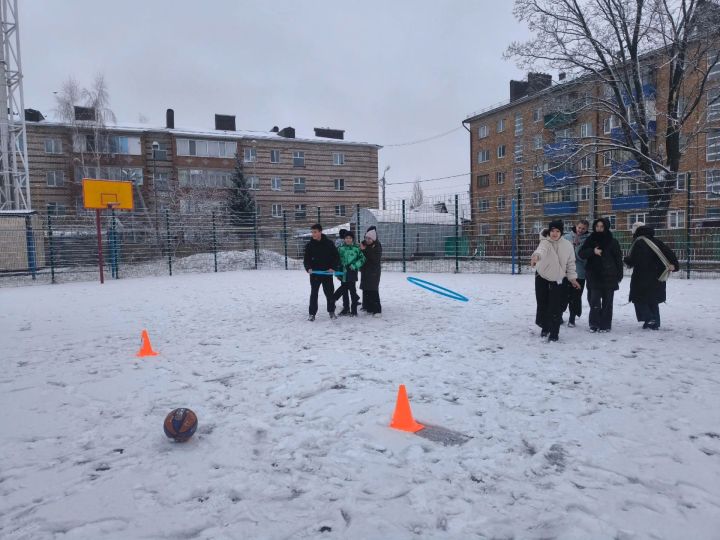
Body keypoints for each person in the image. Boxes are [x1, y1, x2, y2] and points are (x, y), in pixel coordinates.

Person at [530, 220, 580, 342]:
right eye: (552, 230)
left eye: (557, 231)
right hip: (542, 277)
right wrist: (535, 257)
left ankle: (554, 332)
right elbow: (540, 251)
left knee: (555, 306)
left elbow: (570, 264)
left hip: (558, 279)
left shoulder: (567, 245)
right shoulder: (545, 242)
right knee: (543, 304)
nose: (554, 233)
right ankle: (545, 327)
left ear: (561, 232)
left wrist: (572, 279)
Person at [623, 222, 679, 330]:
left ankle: (649, 318)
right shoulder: (657, 242)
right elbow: (669, 253)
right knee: (653, 300)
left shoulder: (638, 242)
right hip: (657, 276)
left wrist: (626, 260)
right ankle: (655, 323)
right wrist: (675, 265)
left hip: (641, 276)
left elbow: (633, 260)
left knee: (638, 299)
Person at [578, 217, 623, 332]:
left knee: (608, 302)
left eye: (601, 226)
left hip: (609, 275)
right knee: (594, 301)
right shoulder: (590, 239)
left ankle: (605, 325)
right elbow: (581, 254)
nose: (599, 229)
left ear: (606, 227)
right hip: (594, 275)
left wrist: (619, 275)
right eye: (597, 226)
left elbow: (618, 259)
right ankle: (594, 324)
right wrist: (593, 251)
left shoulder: (613, 242)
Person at [303, 223, 339, 321]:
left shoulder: (329, 243)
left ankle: (331, 312)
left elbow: (336, 257)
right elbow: (306, 259)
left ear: (320, 232)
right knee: (314, 293)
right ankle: (312, 314)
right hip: (315, 274)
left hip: (327, 273)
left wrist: (333, 268)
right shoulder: (309, 245)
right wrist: (308, 268)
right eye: (312, 232)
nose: (313, 234)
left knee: (329, 294)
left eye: (315, 232)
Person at [563, 219, 590, 327]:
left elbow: (586, 257)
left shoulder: (588, 239)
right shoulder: (566, 237)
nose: (581, 230)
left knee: (575, 296)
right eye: (579, 227)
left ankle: (572, 318)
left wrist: (577, 249)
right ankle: (559, 316)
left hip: (580, 273)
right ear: (576, 226)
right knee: (563, 295)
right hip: (566, 272)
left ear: (587, 229)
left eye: (583, 229)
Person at [332, 230, 365, 316]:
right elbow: (336, 260)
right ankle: (346, 309)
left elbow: (362, 259)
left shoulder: (356, 249)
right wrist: (337, 271)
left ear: (352, 239)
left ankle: (354, 310)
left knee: (353, 291)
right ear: (344, 239)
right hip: (343, 273)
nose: (348, 240)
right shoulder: (340, 249)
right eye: (346, 238)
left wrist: (354, 266)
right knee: (344, 292)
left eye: (350, 238)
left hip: (352, 273)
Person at [360, 226, 382, 317]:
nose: (367, 240)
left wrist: (365, 250)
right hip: (365, 271)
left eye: (369, 238)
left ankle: (377, 310)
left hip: (374, 271)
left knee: (373, 289)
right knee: (365, 289)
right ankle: (367, 306)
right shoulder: (364, 245)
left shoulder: (377, 246)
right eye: (366, 238)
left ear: (373, 238)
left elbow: (375, 259)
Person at [334, 229, 351, 314]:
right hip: (342, 268)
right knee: (345, 286)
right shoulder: (343, 244)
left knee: (345, 285)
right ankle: (334, 299)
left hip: (338, 268)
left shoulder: (336, 243)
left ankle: (353, 300)